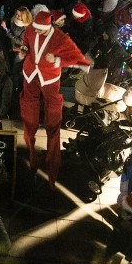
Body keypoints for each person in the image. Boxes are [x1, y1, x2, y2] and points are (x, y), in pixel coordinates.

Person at [20, 10, 91, 188]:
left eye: (40, 30)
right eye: (35, 29)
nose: (37, 32)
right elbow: (25, 42)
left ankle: (52, 168)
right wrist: (23, 50)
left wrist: (57, 59)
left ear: (49, 27)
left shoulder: (60, 37)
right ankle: (32, 159)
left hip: (50, 79)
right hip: (30, 75)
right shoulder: (31, 29)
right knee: (29, 121)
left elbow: (78, 59)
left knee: (53, 123)